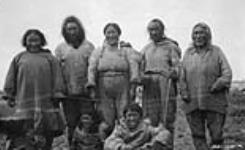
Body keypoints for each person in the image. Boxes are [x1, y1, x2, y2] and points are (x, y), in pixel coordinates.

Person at [3, 29, 65, 150]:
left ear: (41, 41)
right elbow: (11, 77)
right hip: (24, 99)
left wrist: (57, 93)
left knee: (47, 130)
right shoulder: (19, 58)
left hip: (45, 101)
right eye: (30, 40)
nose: (33, 43)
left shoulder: (50, 58)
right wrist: (9, 95)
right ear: (25, 41)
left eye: (36, 40)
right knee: (25, 132)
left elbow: (57, 76)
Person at [180, 22, 232, 150]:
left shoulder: (216, 52)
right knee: (197, 135)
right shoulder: (188, 54)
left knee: (216, 135)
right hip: (192, 102)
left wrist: (218, 85)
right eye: (196, 33)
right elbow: (182, 76)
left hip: (214, 102)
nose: (198, 36)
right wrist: (184, 92)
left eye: (202, 33)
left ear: (208, 35)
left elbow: (227, 74)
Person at [87, 23, 141, 137]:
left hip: (123, 86)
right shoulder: (99, 52)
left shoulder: (126, 51)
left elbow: (135, 64)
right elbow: (91, 68)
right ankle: (105, 143)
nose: (111, 35)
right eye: (108, 32)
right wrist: (91, 85)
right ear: (105, 35)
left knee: (124, 117)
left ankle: (125, 143)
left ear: (119, 34)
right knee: (107, 120)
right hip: (104, 87)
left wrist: (133, 85)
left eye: (114, 32)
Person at [140, 18, 181, 149]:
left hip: (165, 81)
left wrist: (174, 72)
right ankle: (152, 145)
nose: (153, 32)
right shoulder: (146, 48)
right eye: (150, 30)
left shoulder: (170, 46)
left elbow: (177, 65)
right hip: (149, 82)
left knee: (167, 116)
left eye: (156, 29)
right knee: (150, 118)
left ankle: (167, 146)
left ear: (162, 30)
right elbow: (140, 64)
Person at [54, 15, 95, 146]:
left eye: (74, 28)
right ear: (65, 31)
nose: (72, 32)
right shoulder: (61, 48)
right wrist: (59, 91)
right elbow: (57, 72)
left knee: (87, 121)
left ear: (80, 29)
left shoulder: (88, 46)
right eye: (69, 29)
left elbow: (93, 69)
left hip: (85, 92)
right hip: (68, 93)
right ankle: (71, 145)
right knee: (71, 122)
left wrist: (92, 88)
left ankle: (88, 146)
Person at [104, 103, 170, 150]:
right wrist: (123, 147)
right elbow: (108, 142)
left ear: (140, 117)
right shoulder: (120, 128)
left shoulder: (145, 127)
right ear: (125, 117)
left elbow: (164, 133)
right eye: (129, 115)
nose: (132, 118)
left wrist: (150, 145)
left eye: (134, 115)